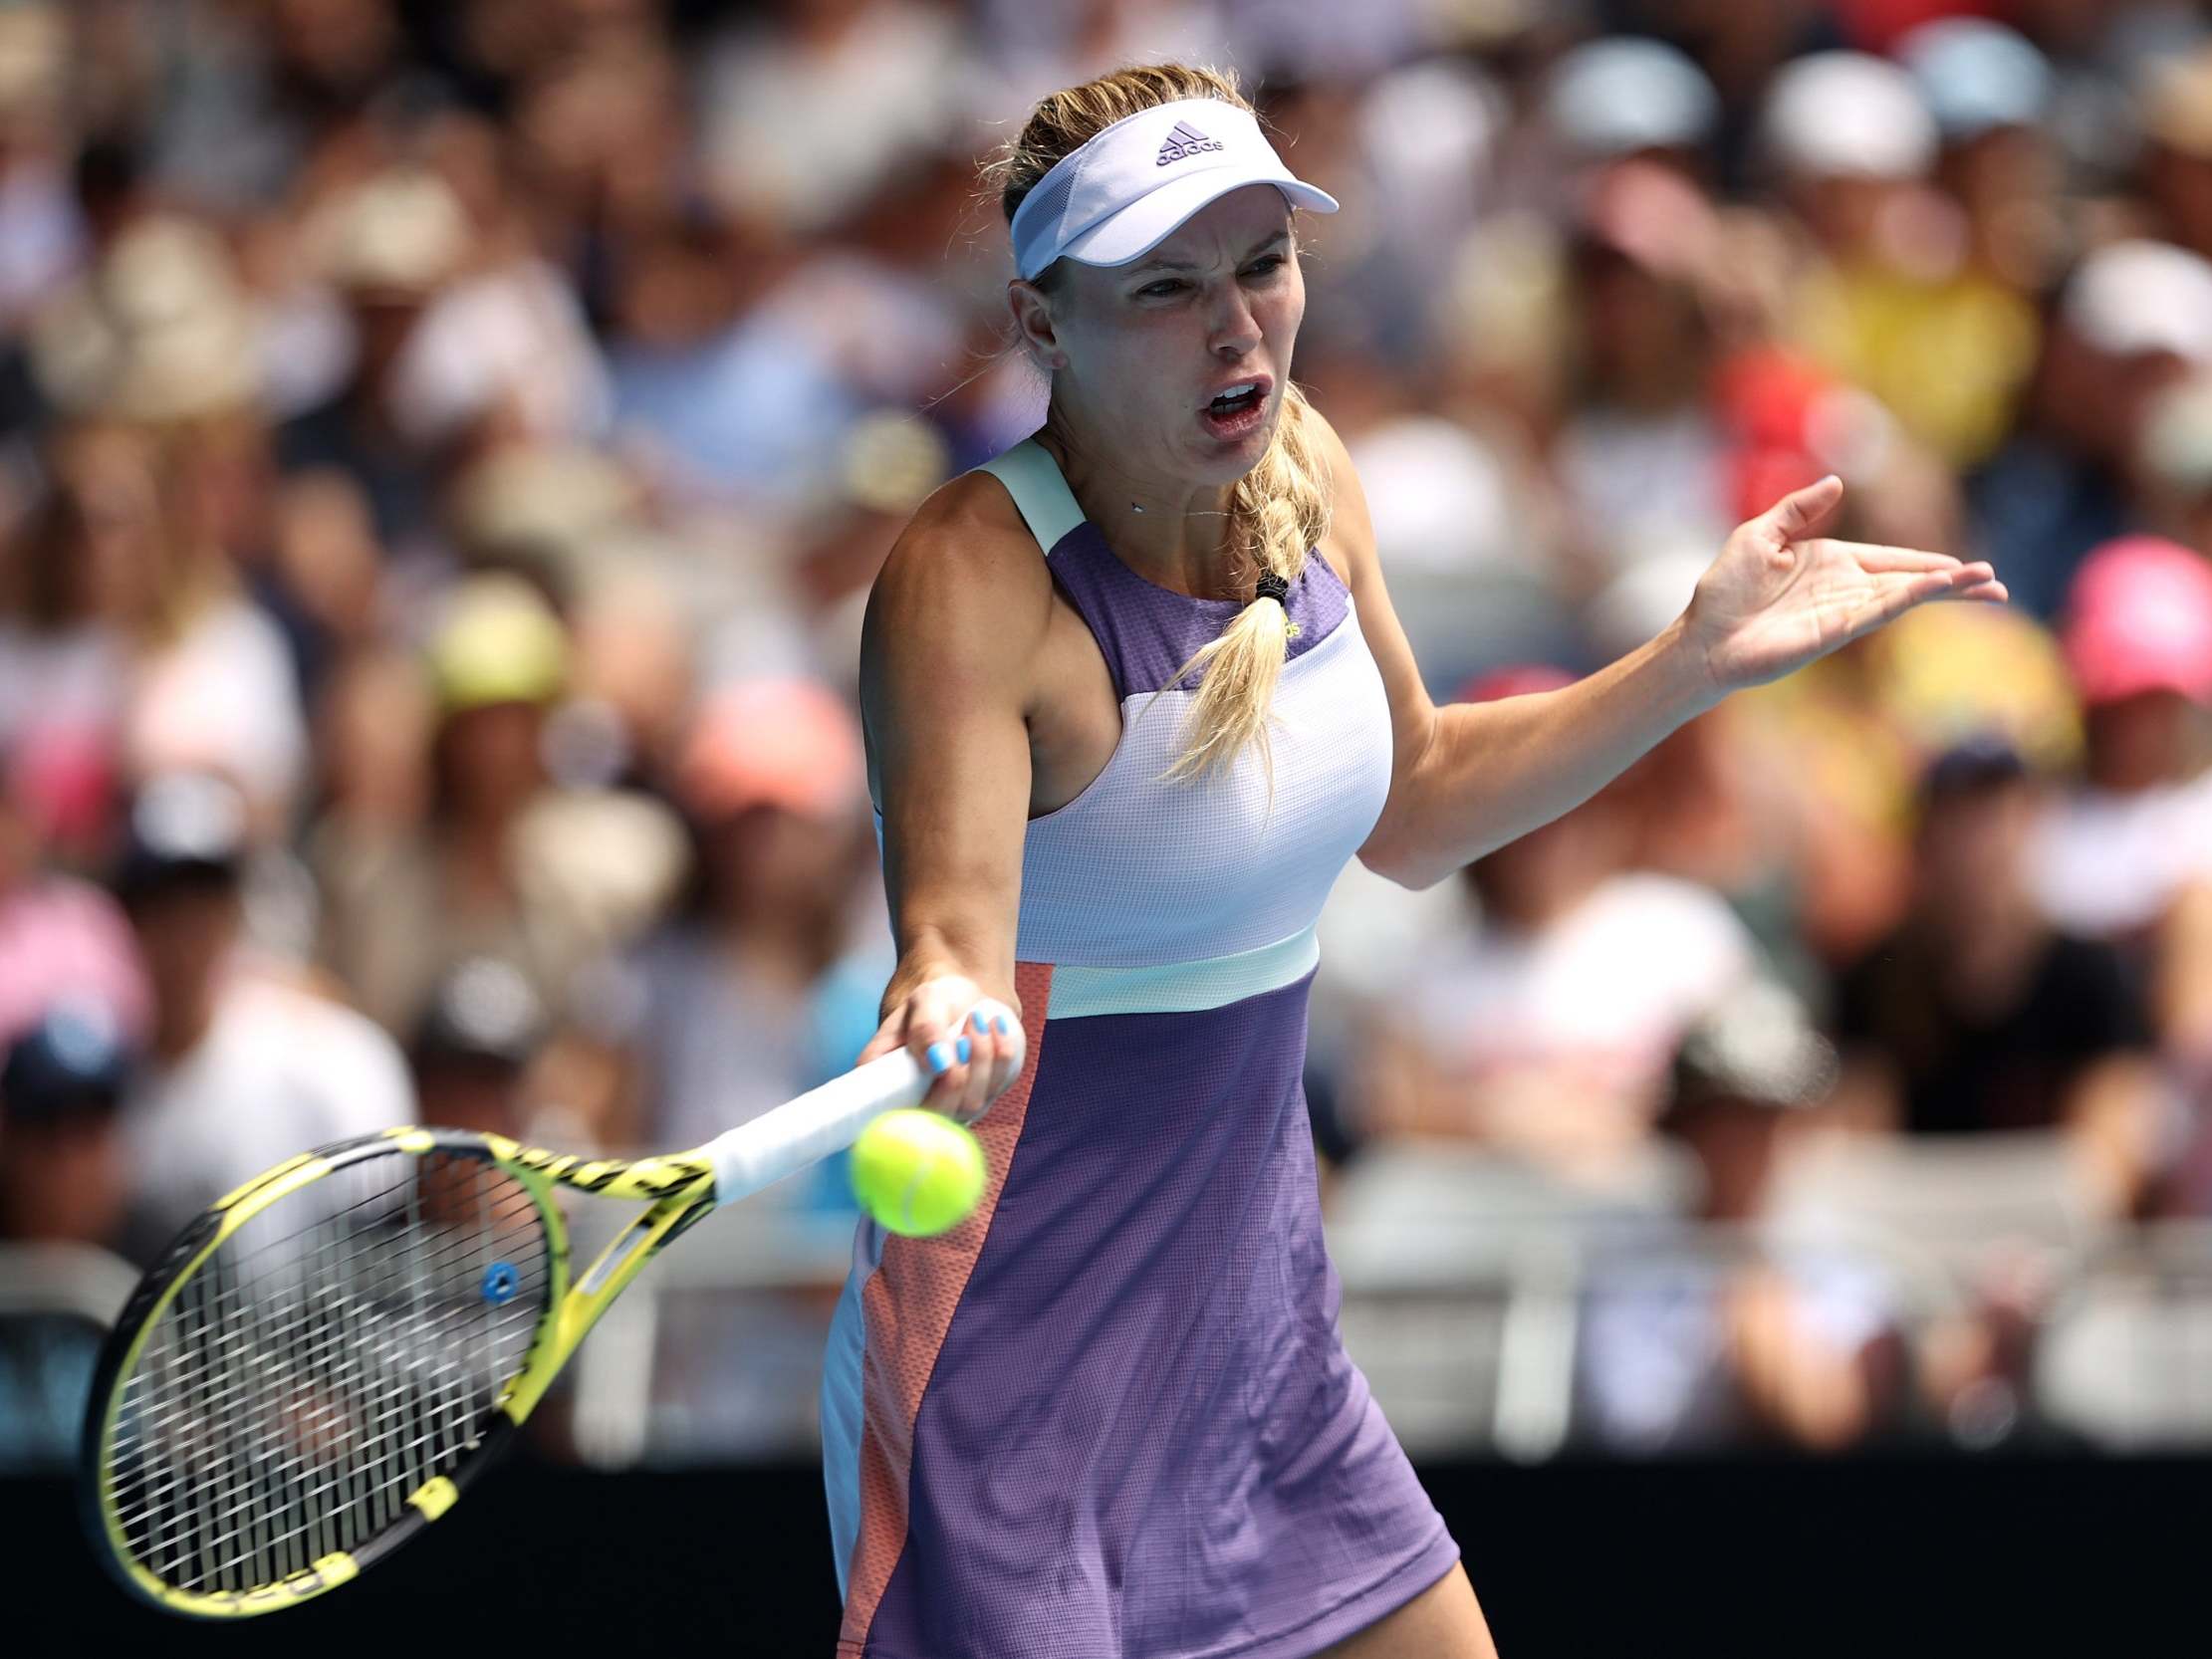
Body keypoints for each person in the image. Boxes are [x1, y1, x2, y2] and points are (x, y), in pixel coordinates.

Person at [830, 63, 2002, 1659]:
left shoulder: (1305, 470)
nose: (1235, 324)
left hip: (1253, 1335)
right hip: (1009, 1364)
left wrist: (1687, 662)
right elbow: (950, 940)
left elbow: (1420, 805)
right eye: (1164, 288)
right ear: (1045, 324)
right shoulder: (970, 574)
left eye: (1259, 262)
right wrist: (945, 1007)